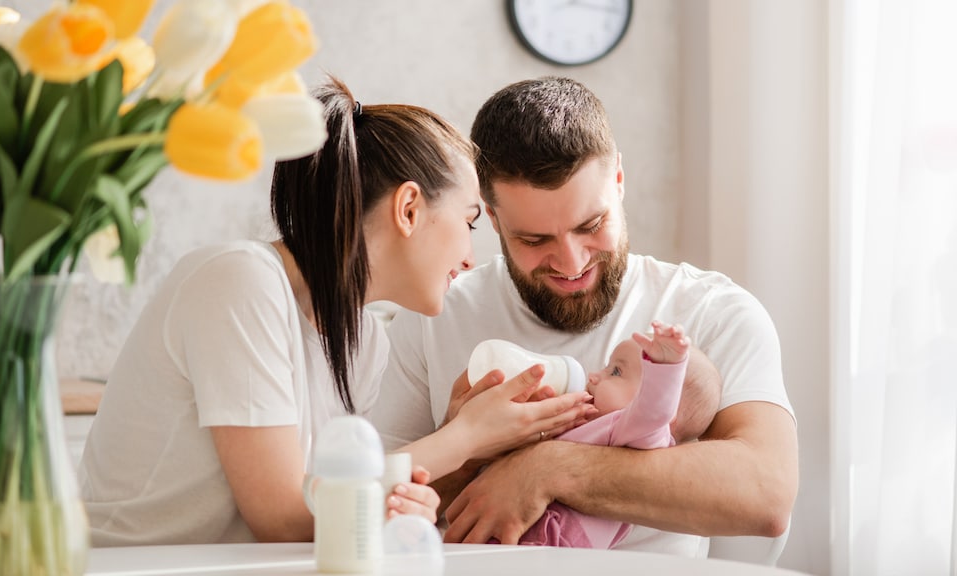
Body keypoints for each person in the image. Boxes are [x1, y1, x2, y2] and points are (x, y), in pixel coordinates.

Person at [78, 76, 594, 547]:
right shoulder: (238, 281)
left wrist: (409, 491)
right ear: (409, 209)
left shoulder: (364, 339)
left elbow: (323, 505)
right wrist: (461, 438)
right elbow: (281, 518)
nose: (470, 256)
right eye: (470, 221)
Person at [370, 76, 798, 557]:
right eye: (534, 241)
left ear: (618, 180)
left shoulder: (709, 312)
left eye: (590, 226)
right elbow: (365, 511)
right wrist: (465, 447)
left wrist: (551, 468)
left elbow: (767, 493)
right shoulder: (434, 311)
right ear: (491, 218)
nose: (571, 264)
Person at [518, 320, 722, 549]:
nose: (594, 376)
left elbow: (653, 411)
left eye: (616, 372)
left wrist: (665, 368)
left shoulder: (637, 431)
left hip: (556, 541)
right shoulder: (587, 419)